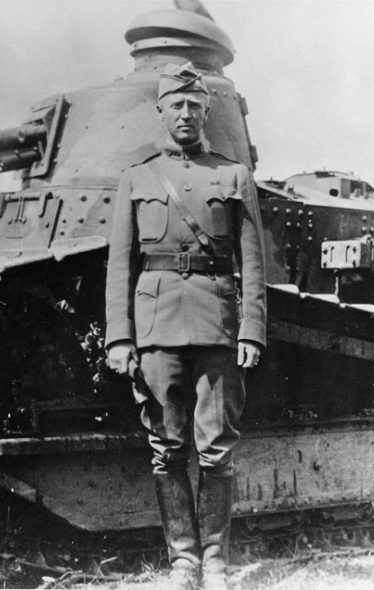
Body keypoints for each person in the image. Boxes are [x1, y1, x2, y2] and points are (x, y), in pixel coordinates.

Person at [104, 62, 266, 590]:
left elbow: (253, 262)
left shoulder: (233, 175)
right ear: (161, 111)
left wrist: (251, 329)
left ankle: (216, 563)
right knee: (167, 450)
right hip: (156, 332)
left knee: (216, 449)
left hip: (217, 326)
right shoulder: (138, 177)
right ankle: (183, 562)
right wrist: (120, 337)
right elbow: (120, 266)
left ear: (206, 113)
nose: (186, 114)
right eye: (176, 105)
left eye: (195, 106)